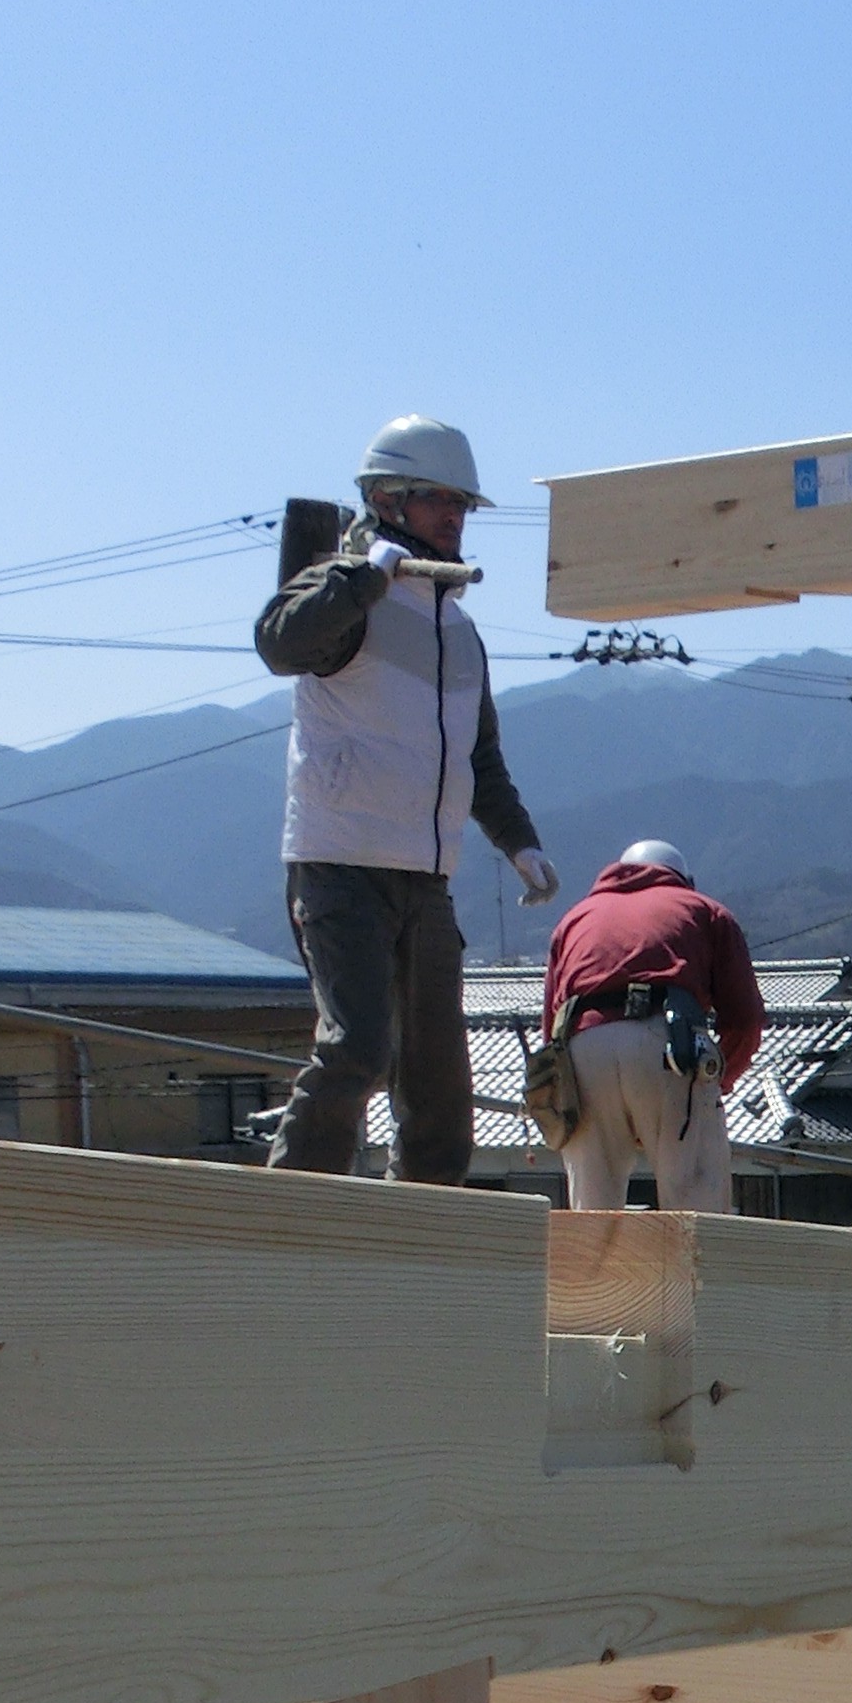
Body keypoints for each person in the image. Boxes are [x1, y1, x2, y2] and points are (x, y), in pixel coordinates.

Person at [256, 416, 557, 1183]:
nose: (455, 517)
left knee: (440, 1085)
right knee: (357, 1047)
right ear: (387, 500)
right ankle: (286, 1214)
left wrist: (519, 842)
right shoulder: (348, 595)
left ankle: (426, 1230)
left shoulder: (457, 629)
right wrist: (362, 578)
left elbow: (479, 757)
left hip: (426, 880)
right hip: (339, 864)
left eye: (462, 504)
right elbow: (278, 642)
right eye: (438, 501)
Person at [542, 839, 764, 1213]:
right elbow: (745, 1022)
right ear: (683, 878)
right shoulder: (704, 910)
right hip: (666, 1043)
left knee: (592, 1209)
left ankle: (594, 1271)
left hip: (582, 1051)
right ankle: (695, 1272)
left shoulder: (575, 917)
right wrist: (715, 1082)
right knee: (694, 1198)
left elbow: (550, 1026)